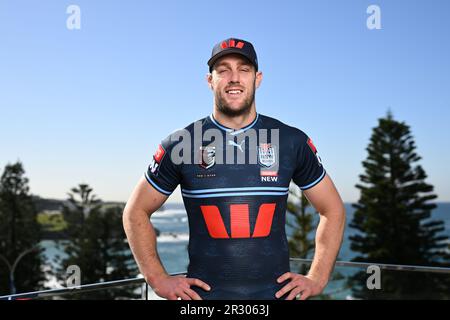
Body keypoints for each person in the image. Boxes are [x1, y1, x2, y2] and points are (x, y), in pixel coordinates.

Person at [123, 37, 346, 300]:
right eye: (223, 70)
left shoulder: (290, 140)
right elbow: (135, 212)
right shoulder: (181, 143)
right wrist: (157, 278)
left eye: (244, 69)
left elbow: (333, 210)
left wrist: (317, 277)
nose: (234, 78)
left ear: (258, 78)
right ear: (210, 81)